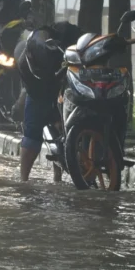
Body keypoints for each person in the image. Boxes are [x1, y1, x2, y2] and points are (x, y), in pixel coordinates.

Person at [18, 21, 82, 182]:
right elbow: (38, 91)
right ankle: (23, 179)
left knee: (63, 129)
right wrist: (54, 112)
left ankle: (57, 177)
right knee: (33, 131)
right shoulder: (29, 59)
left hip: (67, 86)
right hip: (39, 90)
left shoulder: (73, 38)